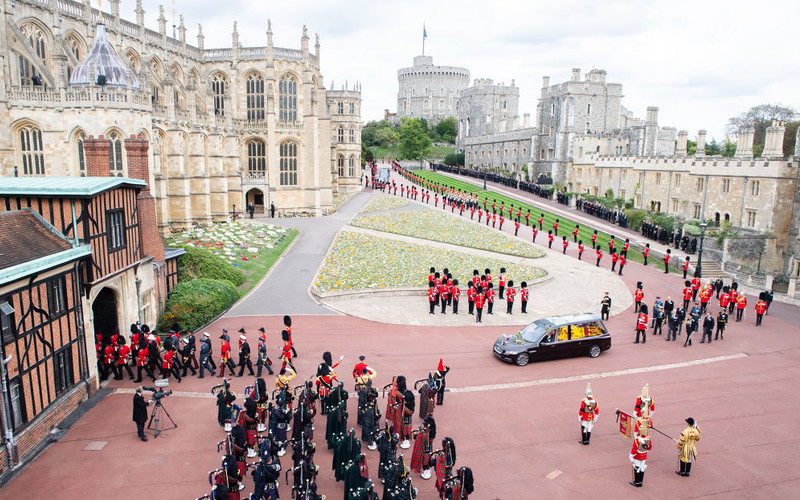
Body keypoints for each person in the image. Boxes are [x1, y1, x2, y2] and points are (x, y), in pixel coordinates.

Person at [629, 423, 652, 487]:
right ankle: (640, 482)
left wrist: (631, 456)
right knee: (642, 468)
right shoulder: (648, 439)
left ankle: (636, 482)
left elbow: (634, 449)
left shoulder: (637, 439)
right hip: (644, 455)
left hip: (638, 455)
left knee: (637, 467)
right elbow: (650, 447)